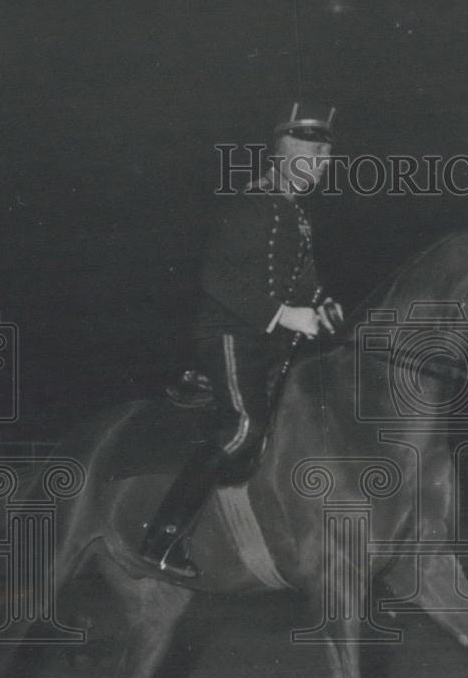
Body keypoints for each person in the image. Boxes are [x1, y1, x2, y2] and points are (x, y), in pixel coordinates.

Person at [141, 100, 342, 577]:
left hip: (270, 344)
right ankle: (162, 538)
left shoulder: (298, 217)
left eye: (323, 160)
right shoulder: (252, 203)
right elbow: (218, 278)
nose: (317, 168)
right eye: (308, 158)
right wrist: (285, 315)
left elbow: (305, 286)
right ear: (283, 154)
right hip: (231, 335)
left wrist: (323, 307)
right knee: (244, 429)